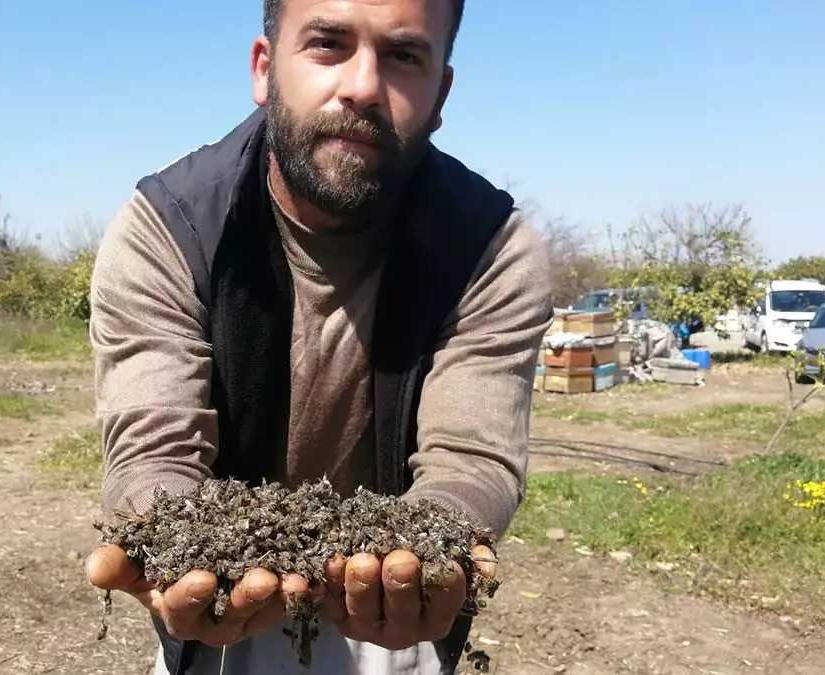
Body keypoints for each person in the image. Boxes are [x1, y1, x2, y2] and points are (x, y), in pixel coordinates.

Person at [84, 0, 553, 672]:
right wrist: (170, 540)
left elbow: (473, 455)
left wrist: (425, 550)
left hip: (393, 618)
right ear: (265, 66)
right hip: (219, 611)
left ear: (441, 90)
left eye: (403, 55)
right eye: (329, 43)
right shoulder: (169, 228)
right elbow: (152, 446)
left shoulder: (490, 247)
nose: (363, 85)